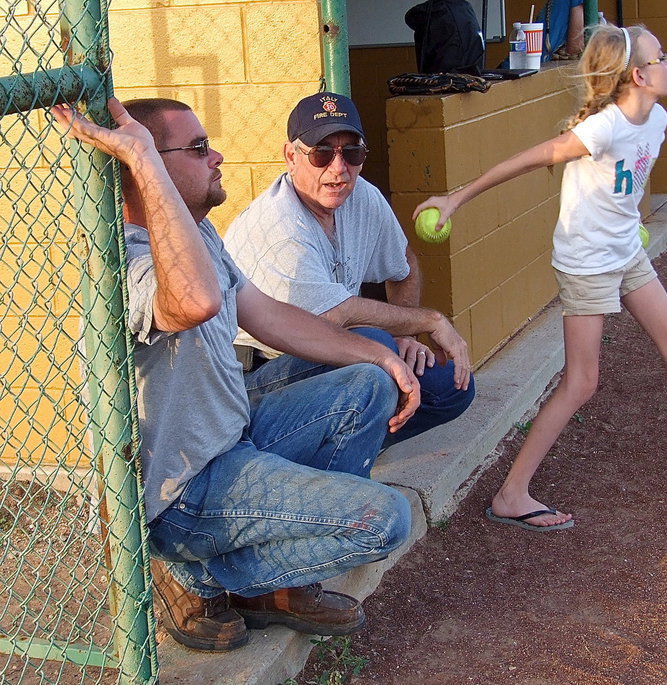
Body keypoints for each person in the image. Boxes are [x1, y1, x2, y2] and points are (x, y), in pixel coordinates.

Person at [52, 97, 423, 651]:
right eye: (199, 149)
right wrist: (144, 159)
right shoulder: (121, 266)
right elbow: (196, 301)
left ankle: (272, 584)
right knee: (385, 518)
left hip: (232, 438)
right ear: (145, 166)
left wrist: (386, 357)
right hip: (182, 492)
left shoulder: (197, 236)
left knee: (370, 379)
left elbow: (268, 316)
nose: (218, 156)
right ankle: (192, 576)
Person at [414, 24, 667, 532]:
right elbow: (528, 160)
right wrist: (454, 199)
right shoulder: (603, 128)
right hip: (586, 263)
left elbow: (625, 185)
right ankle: (512, 494)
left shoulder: (659, 119)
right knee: (582, 381)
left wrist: (634, 227)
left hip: (625, 253)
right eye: (661, 56)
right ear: (638, 75)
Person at [223, 92, 475, 448]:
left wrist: (406, 339)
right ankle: (296, 451)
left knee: (451, 387)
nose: (338, 169)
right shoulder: (279, 228)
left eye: (351, 153)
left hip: (321, 351)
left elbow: (403, 265)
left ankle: (332, 446)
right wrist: (427, 321)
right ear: (290, 157)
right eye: (322, 153)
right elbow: (333, 318)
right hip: (254, 375)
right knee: (374, 349)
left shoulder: (361, 197)